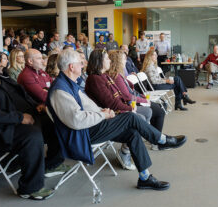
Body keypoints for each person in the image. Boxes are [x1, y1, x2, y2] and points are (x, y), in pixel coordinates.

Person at [47, 48, 187, 191]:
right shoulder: (60, 90)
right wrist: (103, 115)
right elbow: (76, 121)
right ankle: (161, 140)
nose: (83, 65)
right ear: (71, 66)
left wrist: (101, 111)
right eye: (80, 62)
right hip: (81, 135)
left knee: (132, 132)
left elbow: (88, 105)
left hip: (91, 126)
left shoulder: (70, 83)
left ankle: (145, 177)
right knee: (130, 117)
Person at [0, 47, 67, 200]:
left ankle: (51, 164)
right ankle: (30, 188)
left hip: (19, 119)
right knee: (32, 136)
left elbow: (22, 95)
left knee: (55, 121)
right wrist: (20, 118)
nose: (1, 64)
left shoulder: (1, 79)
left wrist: (36, 105)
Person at [108, 49, 166, 137]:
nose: (126, 61)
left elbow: (131, 92)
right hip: (130, 104)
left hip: (133, 100)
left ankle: (154, 136)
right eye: (124, 59)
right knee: (159, 111)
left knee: (158, 108)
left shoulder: (119, 74)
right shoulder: (116, 76)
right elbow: (127, 95)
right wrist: (143, 100)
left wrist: (143, 97)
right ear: (118, 61)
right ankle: (156, 139)